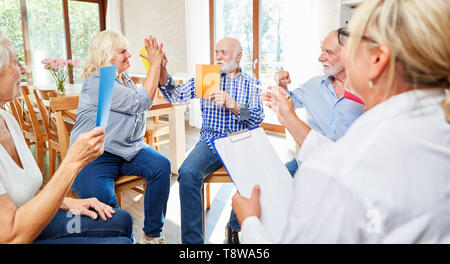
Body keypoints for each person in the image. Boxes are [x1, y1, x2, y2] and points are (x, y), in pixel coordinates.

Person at [232, 0, 450, 243]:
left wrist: (251, 223)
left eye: (352, 47)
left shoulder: (331, 176)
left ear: (378, 59)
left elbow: (341, 167)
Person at [0, 29, 133, 244]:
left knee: (122, 220)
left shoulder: (8, 119)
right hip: (19, 233)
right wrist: (73, 161)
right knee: (120, 242)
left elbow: (24, 191)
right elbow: (10, 236)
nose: (24, 69)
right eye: (16, 63)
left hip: (30, 215)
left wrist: (69, 203)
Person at [158, 37, 265, 244]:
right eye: (216, 52)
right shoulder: (207, 77)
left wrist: (232, 104)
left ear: (238, 56)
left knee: (254, 175)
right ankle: (193, 244)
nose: (218, 57)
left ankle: (234, 228)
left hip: (239, 141)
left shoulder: (252, 83)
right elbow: (176, 95)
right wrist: (163, 69)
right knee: (187, 173)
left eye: (223, 53)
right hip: (210, 142)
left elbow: (257, 117)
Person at [69, 30, 171, 244]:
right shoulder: (98, 82)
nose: (129, 55)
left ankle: (152, 235)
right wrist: (153, 65)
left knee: (161, 166)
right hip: (95, 155)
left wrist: (159, 67)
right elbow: (139, 103)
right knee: (105, 201)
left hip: (128, 150)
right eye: (123, 51)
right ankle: (124, 240)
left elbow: (140, 101)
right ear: (107, 56)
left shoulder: (124, 79)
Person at [275, 29, 365, 175]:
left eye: (328, 52)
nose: (320, 58)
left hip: (344, 172)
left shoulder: (369, 95)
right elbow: (286, 101)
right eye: (322, 51)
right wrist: (282, 85)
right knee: (268, 185)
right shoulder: (314, 85)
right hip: (306, 162)